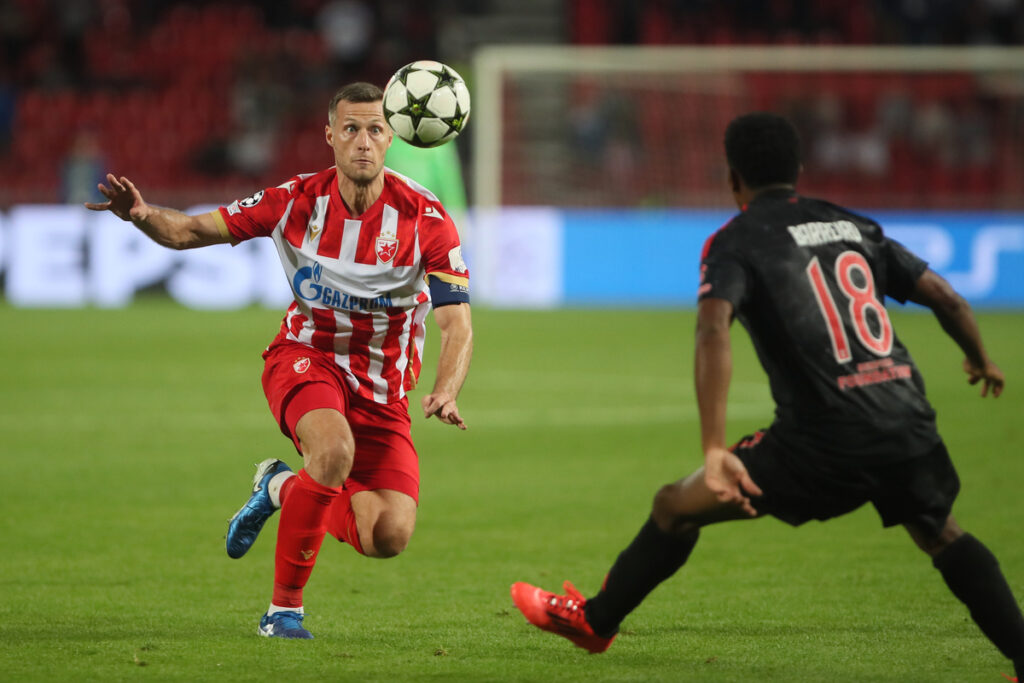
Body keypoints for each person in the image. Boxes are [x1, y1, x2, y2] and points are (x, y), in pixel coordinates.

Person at [510, 112, 1024, 680]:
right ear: (799, 171)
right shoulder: (850, 224)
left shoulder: (736, 240)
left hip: (823, 440)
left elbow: (712, 329)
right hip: (905, 416)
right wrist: (980, 357)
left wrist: (713, 448)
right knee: (939, 531)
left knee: (673, 508)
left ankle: (595, 623)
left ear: (734, 180)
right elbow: (947, 298)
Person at [85, 82, 474, 640]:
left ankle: (278, 486)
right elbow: (192, 230)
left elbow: (455, 320)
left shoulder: (427, 219)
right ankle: (282, 612)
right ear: (330, 136)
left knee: (388, 535)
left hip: (384, 390)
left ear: (392, 136)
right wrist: (142, 214)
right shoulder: (295, 200)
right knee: (333, 450)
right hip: (305, 358)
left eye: (374, 130)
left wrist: (447, 386)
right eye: (351, 129)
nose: (363, 142)